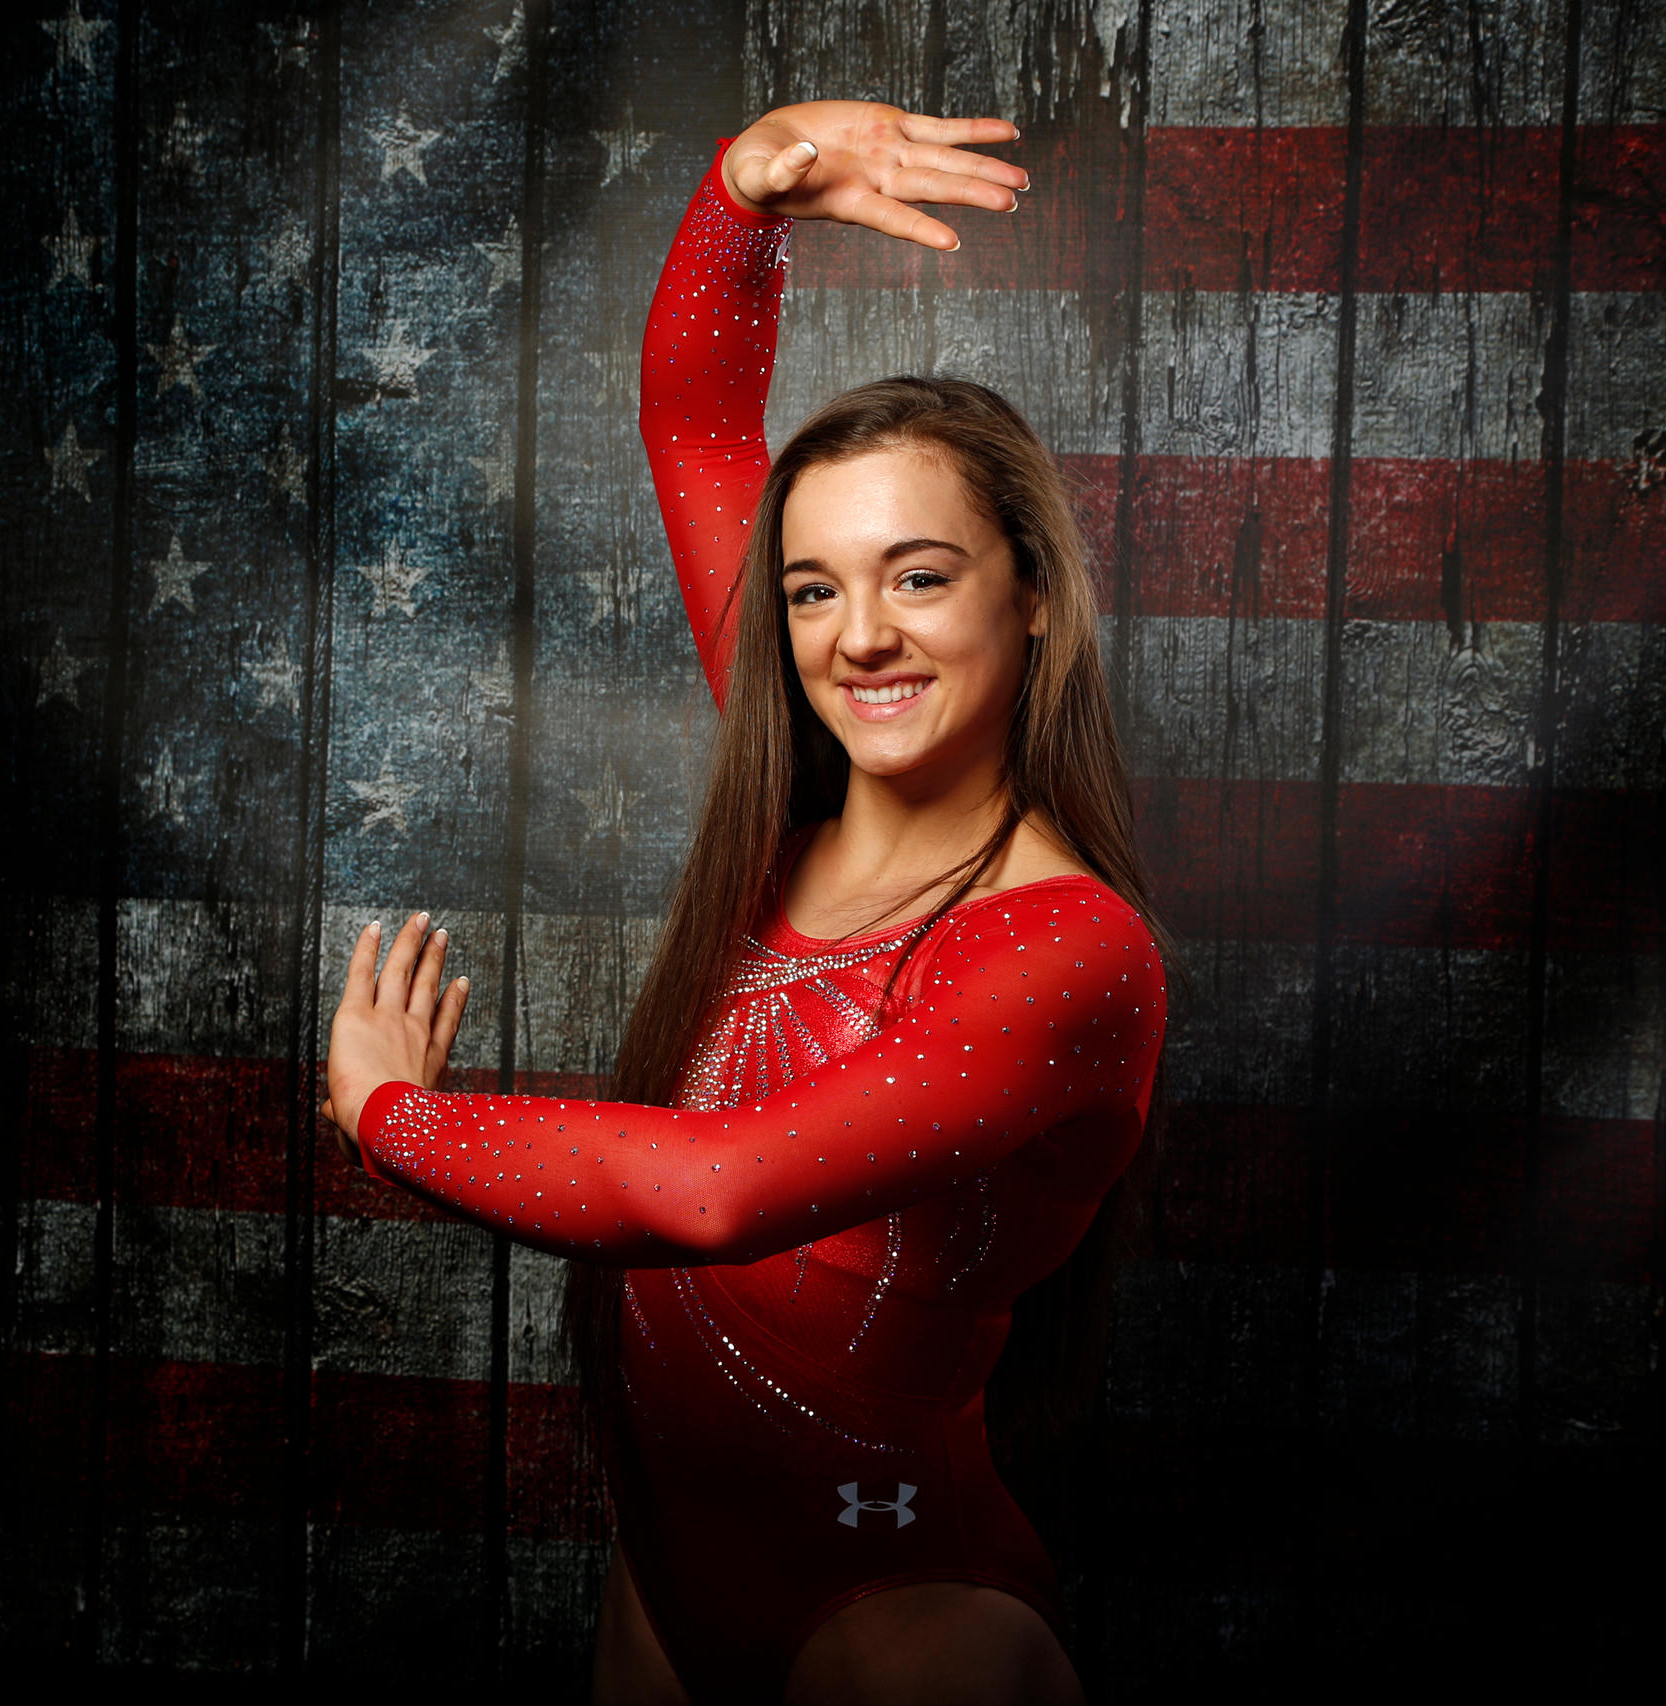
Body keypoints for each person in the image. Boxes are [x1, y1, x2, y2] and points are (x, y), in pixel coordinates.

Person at [322, 101, 1168, 1706]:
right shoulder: (790, 798)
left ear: (1034, 596)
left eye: (919, 574)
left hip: (894, 1611)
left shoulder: (1068, 952)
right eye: (811, 586)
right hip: (665, 1579)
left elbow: (722, 1190)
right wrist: (740, 189)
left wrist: (395, 1120)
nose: (859, 636)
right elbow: (699, 422)